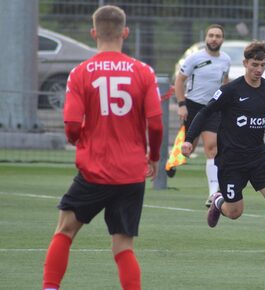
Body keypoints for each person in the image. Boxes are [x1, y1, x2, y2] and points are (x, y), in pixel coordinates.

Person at [42, 5, 163, 290]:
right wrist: (154, 157)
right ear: (125, 32)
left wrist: (79, 141)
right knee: (123, 246)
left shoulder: (80, 73)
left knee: (65, 231)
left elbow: (71, 124)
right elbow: (156, 125)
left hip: (94, 170)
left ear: (93, 33)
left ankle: (49, 288)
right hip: (131, 172)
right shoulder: (144, 72)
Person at [181, 40, 265, 262]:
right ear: (245, 63)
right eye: (254, 64)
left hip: (258, 157)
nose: (258, 70)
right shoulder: (230, 91)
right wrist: (189, 139)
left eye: (263, 65)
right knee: (235, 212)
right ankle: (219, 201)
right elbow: (205, 112)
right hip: (231, 161)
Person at [174, 24, 231, 207]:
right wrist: (182, 104)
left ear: (222, 39)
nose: (214, 39)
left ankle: (213, 193)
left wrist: (226, 103)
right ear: (206, 38)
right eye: (211, 35)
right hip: (192, 107)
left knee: (212, 148)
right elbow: (179, 80)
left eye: (218, 36)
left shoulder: (226, 60)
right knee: (188, 148)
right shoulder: (195, 58)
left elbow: (225, 81)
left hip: (213, 108)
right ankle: (171, 164)